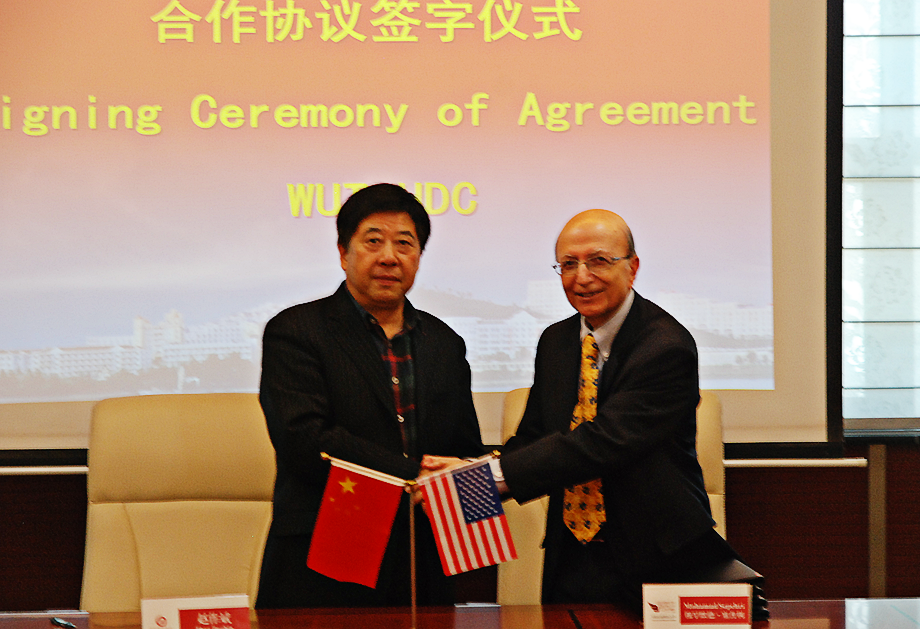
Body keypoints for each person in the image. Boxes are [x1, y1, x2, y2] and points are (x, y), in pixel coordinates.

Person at [426, 209, 755, 610]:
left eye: (598, 260)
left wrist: (490, 478)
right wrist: (470, 474)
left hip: (657, 556)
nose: (581, 277)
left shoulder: (666, 346)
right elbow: (536, 436)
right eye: (568, 264)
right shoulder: (556, 341)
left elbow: (601, 443)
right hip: (570, 554)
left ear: (632, 268)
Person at [256, 183, 484, 608]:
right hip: (324, 556)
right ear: (343, 253)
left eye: (404, 244)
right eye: (373, 241)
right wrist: (414, 473)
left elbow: (462, 446)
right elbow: (304, 440)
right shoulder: (296, 332)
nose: (389, 257)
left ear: (419, 256)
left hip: (422, 556)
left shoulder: (444, 342)